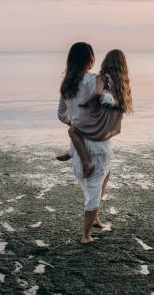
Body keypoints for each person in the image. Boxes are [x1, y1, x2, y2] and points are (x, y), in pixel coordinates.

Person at [56, 45, 133, 244]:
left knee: (105, 175)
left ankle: (95, 217)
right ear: (90, 59)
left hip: (78, 143)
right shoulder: (93, 80)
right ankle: (86, 235)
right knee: (94, 187)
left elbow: (60, 115)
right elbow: (112, 100)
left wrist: (76, 124)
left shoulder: (66, 85)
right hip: (97, 143)